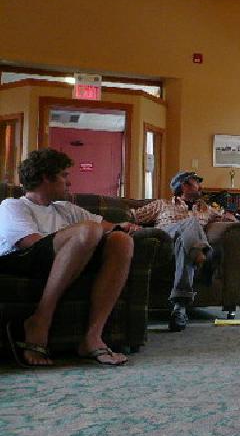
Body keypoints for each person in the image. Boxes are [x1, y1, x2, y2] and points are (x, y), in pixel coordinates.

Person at [0, 148, 140, 367]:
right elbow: (31, 244)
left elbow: (108, 227)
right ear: (46, 177)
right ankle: (40, 321)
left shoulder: (65, 209)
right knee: (90, 231)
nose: (69, 182)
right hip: (25, 261)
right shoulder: (13, 206)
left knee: (121, 241)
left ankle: (92, 338)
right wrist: (79, 238)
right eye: (64, 175)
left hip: (70, 259)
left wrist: (123, 226)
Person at [131, 171, 236, 331]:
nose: (200, 187)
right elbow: (134, 216)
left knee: (184, 245)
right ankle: (203, 257)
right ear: (184, 185)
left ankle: (180, 308)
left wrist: (229, 218)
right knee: (191, 222)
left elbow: (230, 220)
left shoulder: (205, 209)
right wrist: (130, 224)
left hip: (183, 247)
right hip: (164, 243)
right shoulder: (162, 204)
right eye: (196, 183)